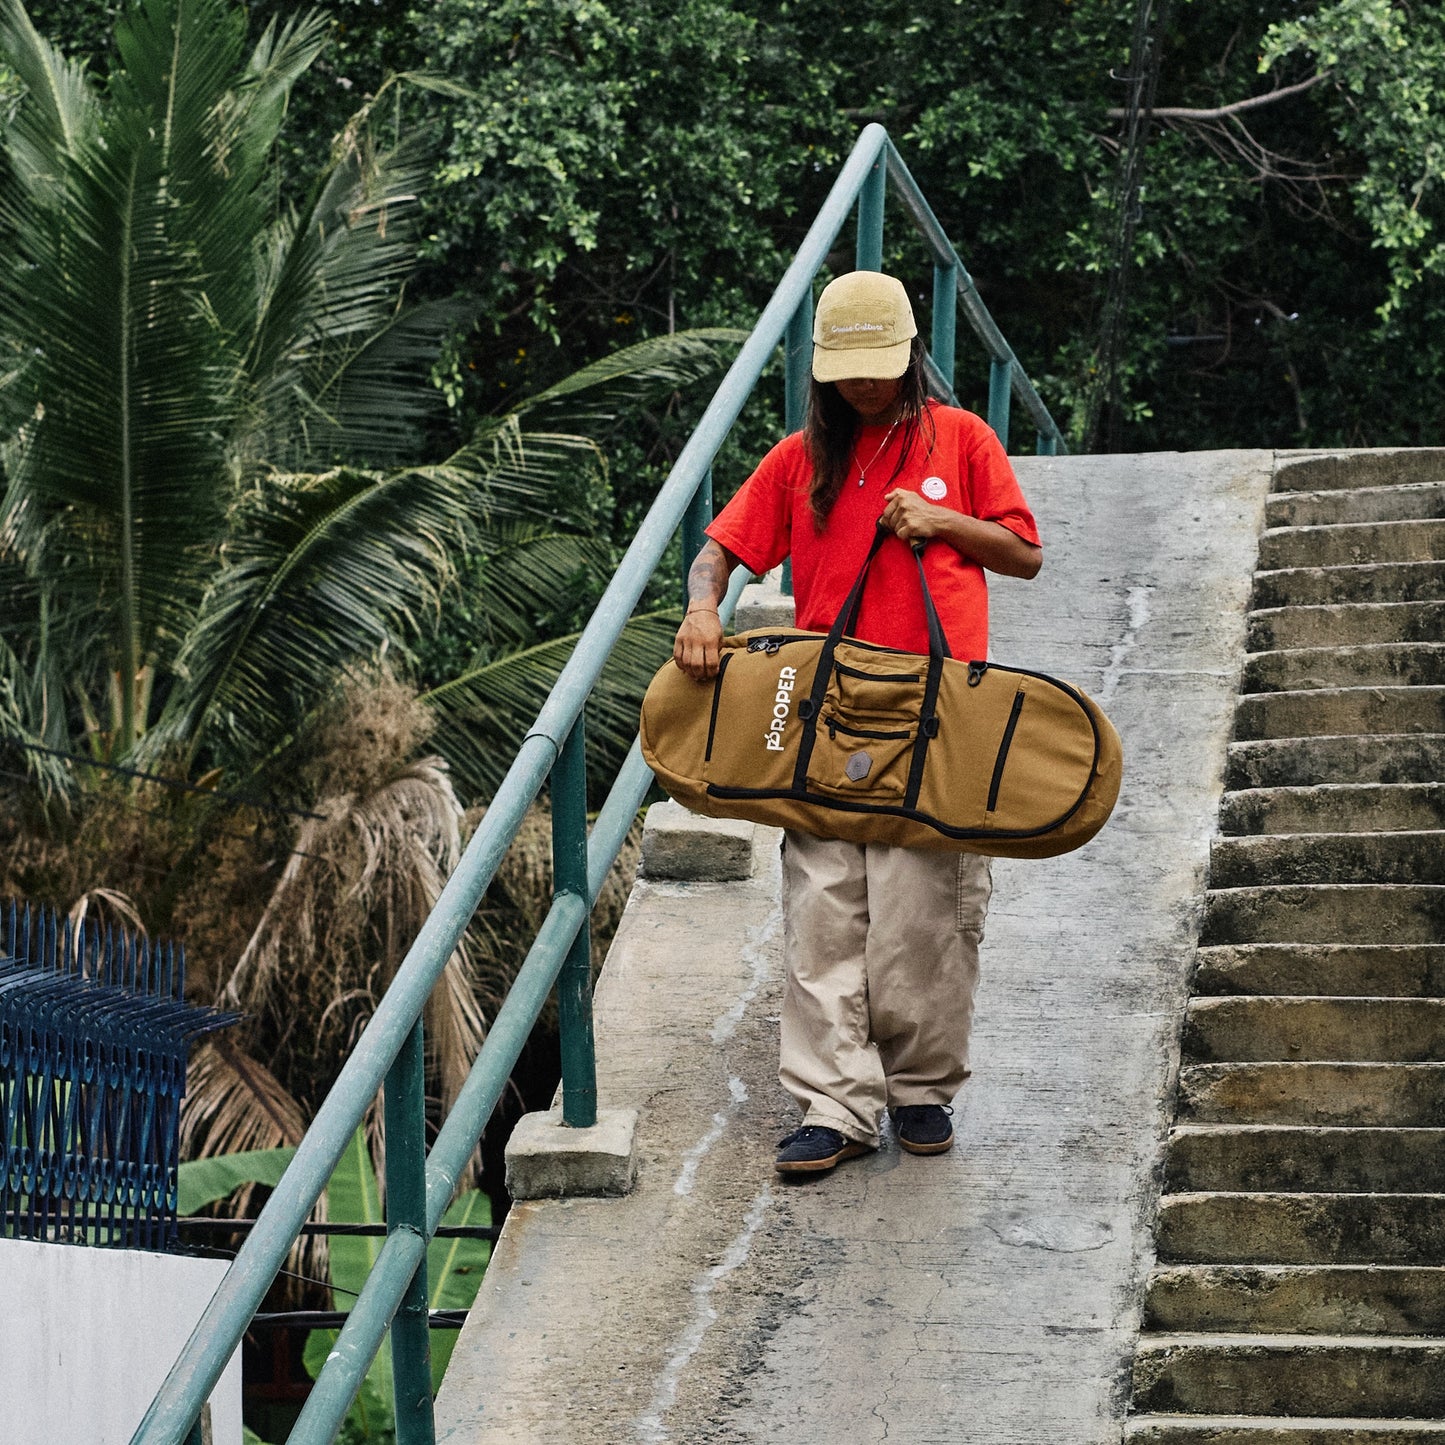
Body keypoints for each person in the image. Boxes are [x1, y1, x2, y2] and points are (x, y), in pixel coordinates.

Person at [673, 271, 1042, 1175]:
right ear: (824, 370)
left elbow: (1024, 552)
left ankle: (919, 1087)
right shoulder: (801, 458)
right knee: (824, 905)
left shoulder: (960, 437)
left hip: (937, 702)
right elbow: (719, 547)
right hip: (827, 705)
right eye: (849, 371)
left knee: (925, 908)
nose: (865, 386)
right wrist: (703, 608)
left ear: (914, 354)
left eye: (880, 367)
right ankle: (836, 1103)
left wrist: (941, 520)